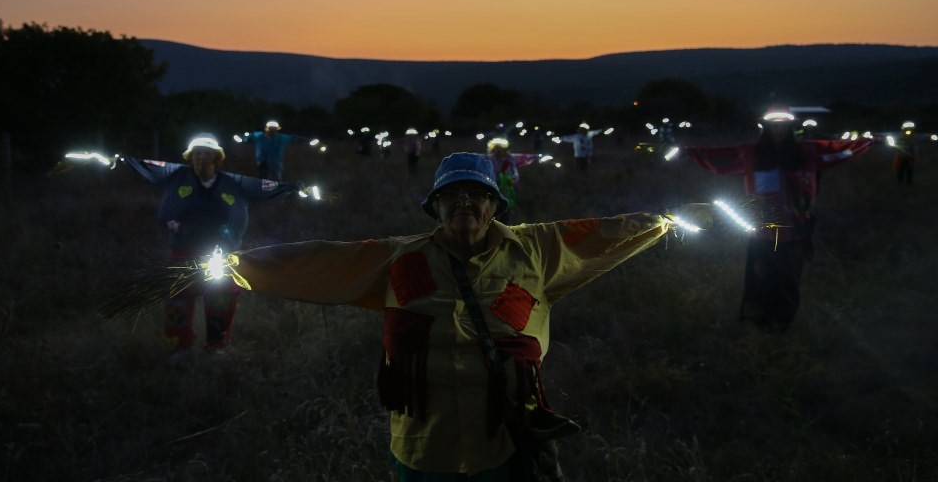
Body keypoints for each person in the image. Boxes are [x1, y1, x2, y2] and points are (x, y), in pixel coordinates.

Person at [212, 152, 710, 479]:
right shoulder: (399, 259)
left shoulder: (537, 248)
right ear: (435, 207)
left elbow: (606, 232)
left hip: (507, 439)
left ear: (496, 204)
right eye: (452, 195)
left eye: (477, 194)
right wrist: (233, 265)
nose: (465, 203)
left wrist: (666, 221)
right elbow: (322, 258)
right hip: (425, 446)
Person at [685, 106, 874, 332]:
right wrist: (686, 151)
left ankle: (783, 325)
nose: (778, 131)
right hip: (762, 231)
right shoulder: (751, 154)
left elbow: (839, 149)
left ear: (790, 129)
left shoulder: (807, 152)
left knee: (789, 278)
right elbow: (718, 158)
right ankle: (760, 324)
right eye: (773, 127)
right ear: (765, 128)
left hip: (797, 229)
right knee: (761, 275)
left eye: (783, 127)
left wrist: (869, 142)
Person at [122, 133, 298, 362]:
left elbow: (266, 187)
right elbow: (146, 166)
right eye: (196, 154)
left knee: (221, 297)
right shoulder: (175, 176)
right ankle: (180, 346)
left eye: (207, 153)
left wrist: (293, 188)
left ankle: (216, 346)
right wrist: (123, 160)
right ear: (190, 157)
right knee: (178, 297)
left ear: (216, 158)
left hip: (221, 254)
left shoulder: (234, 183)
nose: (201, 158)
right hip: (184, 251)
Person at [486, 137, 538, 224]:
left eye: (500, 149)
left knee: (506, 212)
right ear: (492, 149)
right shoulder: (488, 159)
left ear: (505, 149)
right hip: (493, 189)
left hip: (507, 190)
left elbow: (515, 173)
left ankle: (504, 231)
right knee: (492, 211)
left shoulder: (510, 159)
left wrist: (514, 179)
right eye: (496, 149)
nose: (498, 151)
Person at [892, 121, 917, 185]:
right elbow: (896, 144)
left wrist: (912, 152)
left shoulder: (913, 136)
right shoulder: (899, 136)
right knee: (900, 168)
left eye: (911, 129)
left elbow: (914, 145)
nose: (909, 130)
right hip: (901, 155)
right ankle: (900, 181)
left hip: (910, 155)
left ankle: (909, 182)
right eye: (907, 129)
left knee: (910, 168)